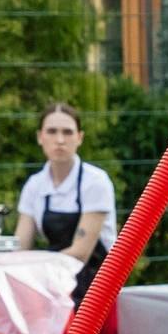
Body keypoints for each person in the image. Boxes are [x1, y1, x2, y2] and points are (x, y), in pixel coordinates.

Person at [15, 102, 116, 305]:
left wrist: (37, 267)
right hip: (55, 286)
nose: (60, 140)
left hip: (95, 290)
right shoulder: (34, 186)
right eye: (51, 131)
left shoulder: (96, 182)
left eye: (67, 132)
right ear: (39, 137)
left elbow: (80, 254)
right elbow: (20, 247)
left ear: (79, 138)